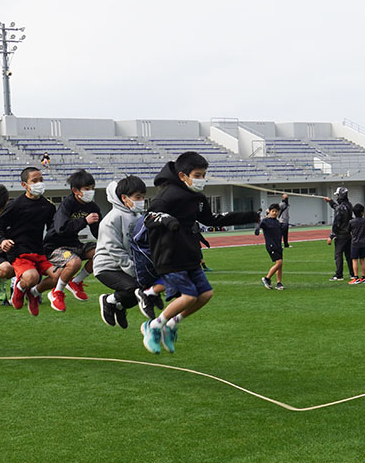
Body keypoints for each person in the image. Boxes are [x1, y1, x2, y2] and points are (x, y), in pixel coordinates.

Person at [141, 152, 258, 354]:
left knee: (205, 294)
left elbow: (212, 220)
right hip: (169, 256)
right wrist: (168, 220)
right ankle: (152, 327)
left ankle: (172, 324)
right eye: (197, 174)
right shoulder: (168, 194)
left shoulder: (198, 198)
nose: (201, 179)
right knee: (189, 296)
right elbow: (149, 217)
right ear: (182, 175)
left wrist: (250, 216)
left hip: (190, 256)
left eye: (204, 175)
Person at [0, 167, 58, 316]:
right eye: (34, 181)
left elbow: (52, 230)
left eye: (41, 180)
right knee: (32, 277)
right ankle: (19, 289)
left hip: (39, 250)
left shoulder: (48, 206)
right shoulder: (15, 205)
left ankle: (34, 293)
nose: (39, 183)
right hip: (19, 252)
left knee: (59, 276)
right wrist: (3, 240)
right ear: (25, 185)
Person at [43, 169, 101, 311]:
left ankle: (76, 282)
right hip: (56, 247)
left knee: (101, 252)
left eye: (92, 188)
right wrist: (84, 221)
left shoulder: (92, 206)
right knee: (75, 262)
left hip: (74, 245)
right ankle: (56, 292)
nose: (90, 192)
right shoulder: (67, 204)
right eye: (87, 189)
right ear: (76, 190)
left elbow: (99, 231)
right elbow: (60, 228)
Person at [94, 176, 148, 329]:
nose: (141, 200)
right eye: (137, 197)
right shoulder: (112, 219)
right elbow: (115, 250)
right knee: (136, 289)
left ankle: (118, 306)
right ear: (124, 197)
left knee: (145, 288)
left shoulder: (137, 216)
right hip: (107, 267)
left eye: (143, 197)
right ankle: (108, 300)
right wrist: (134, 270)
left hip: (125, 265)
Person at [324, 186, 354, 281]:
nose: (337, 197)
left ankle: (339, 274)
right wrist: (330, 202)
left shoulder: (341, 208)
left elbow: (336, 222)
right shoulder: (349, 205)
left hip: (340, 235)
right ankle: (352, 273)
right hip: (348, 234)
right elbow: (337, 207)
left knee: (338, 255)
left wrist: (331, 236)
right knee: (349, 255)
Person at [255, 204, 284, 290]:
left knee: (280, 265)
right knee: (279, 263)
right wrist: (257, 230)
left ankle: (279, 283)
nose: (275, 213)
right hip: (271, 246)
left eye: (276, 211)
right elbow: (259, 227)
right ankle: (267, 278)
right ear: (270, 212)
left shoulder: (277, 222)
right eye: (273, 211)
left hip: (278, 245)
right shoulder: (265, 221)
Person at [348, 203, 365, 284]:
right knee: (362, 260)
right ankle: (363, 277)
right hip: (363, 242)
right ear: (362, 212)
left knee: (354, 260)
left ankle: (356, 277)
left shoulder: (351, 222)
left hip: (355, 243)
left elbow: (349, 231)